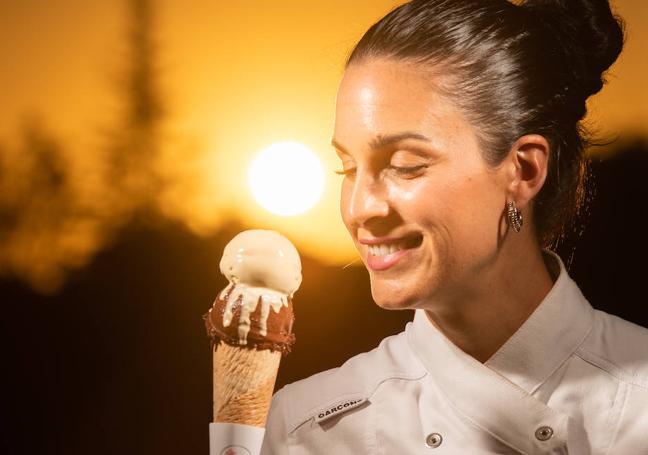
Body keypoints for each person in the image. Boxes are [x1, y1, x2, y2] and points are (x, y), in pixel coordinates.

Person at [262, 0, 648, 453]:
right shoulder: (303, 433)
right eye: (346, 168)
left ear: (523, 171)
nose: (359, 208)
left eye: (405, 164)